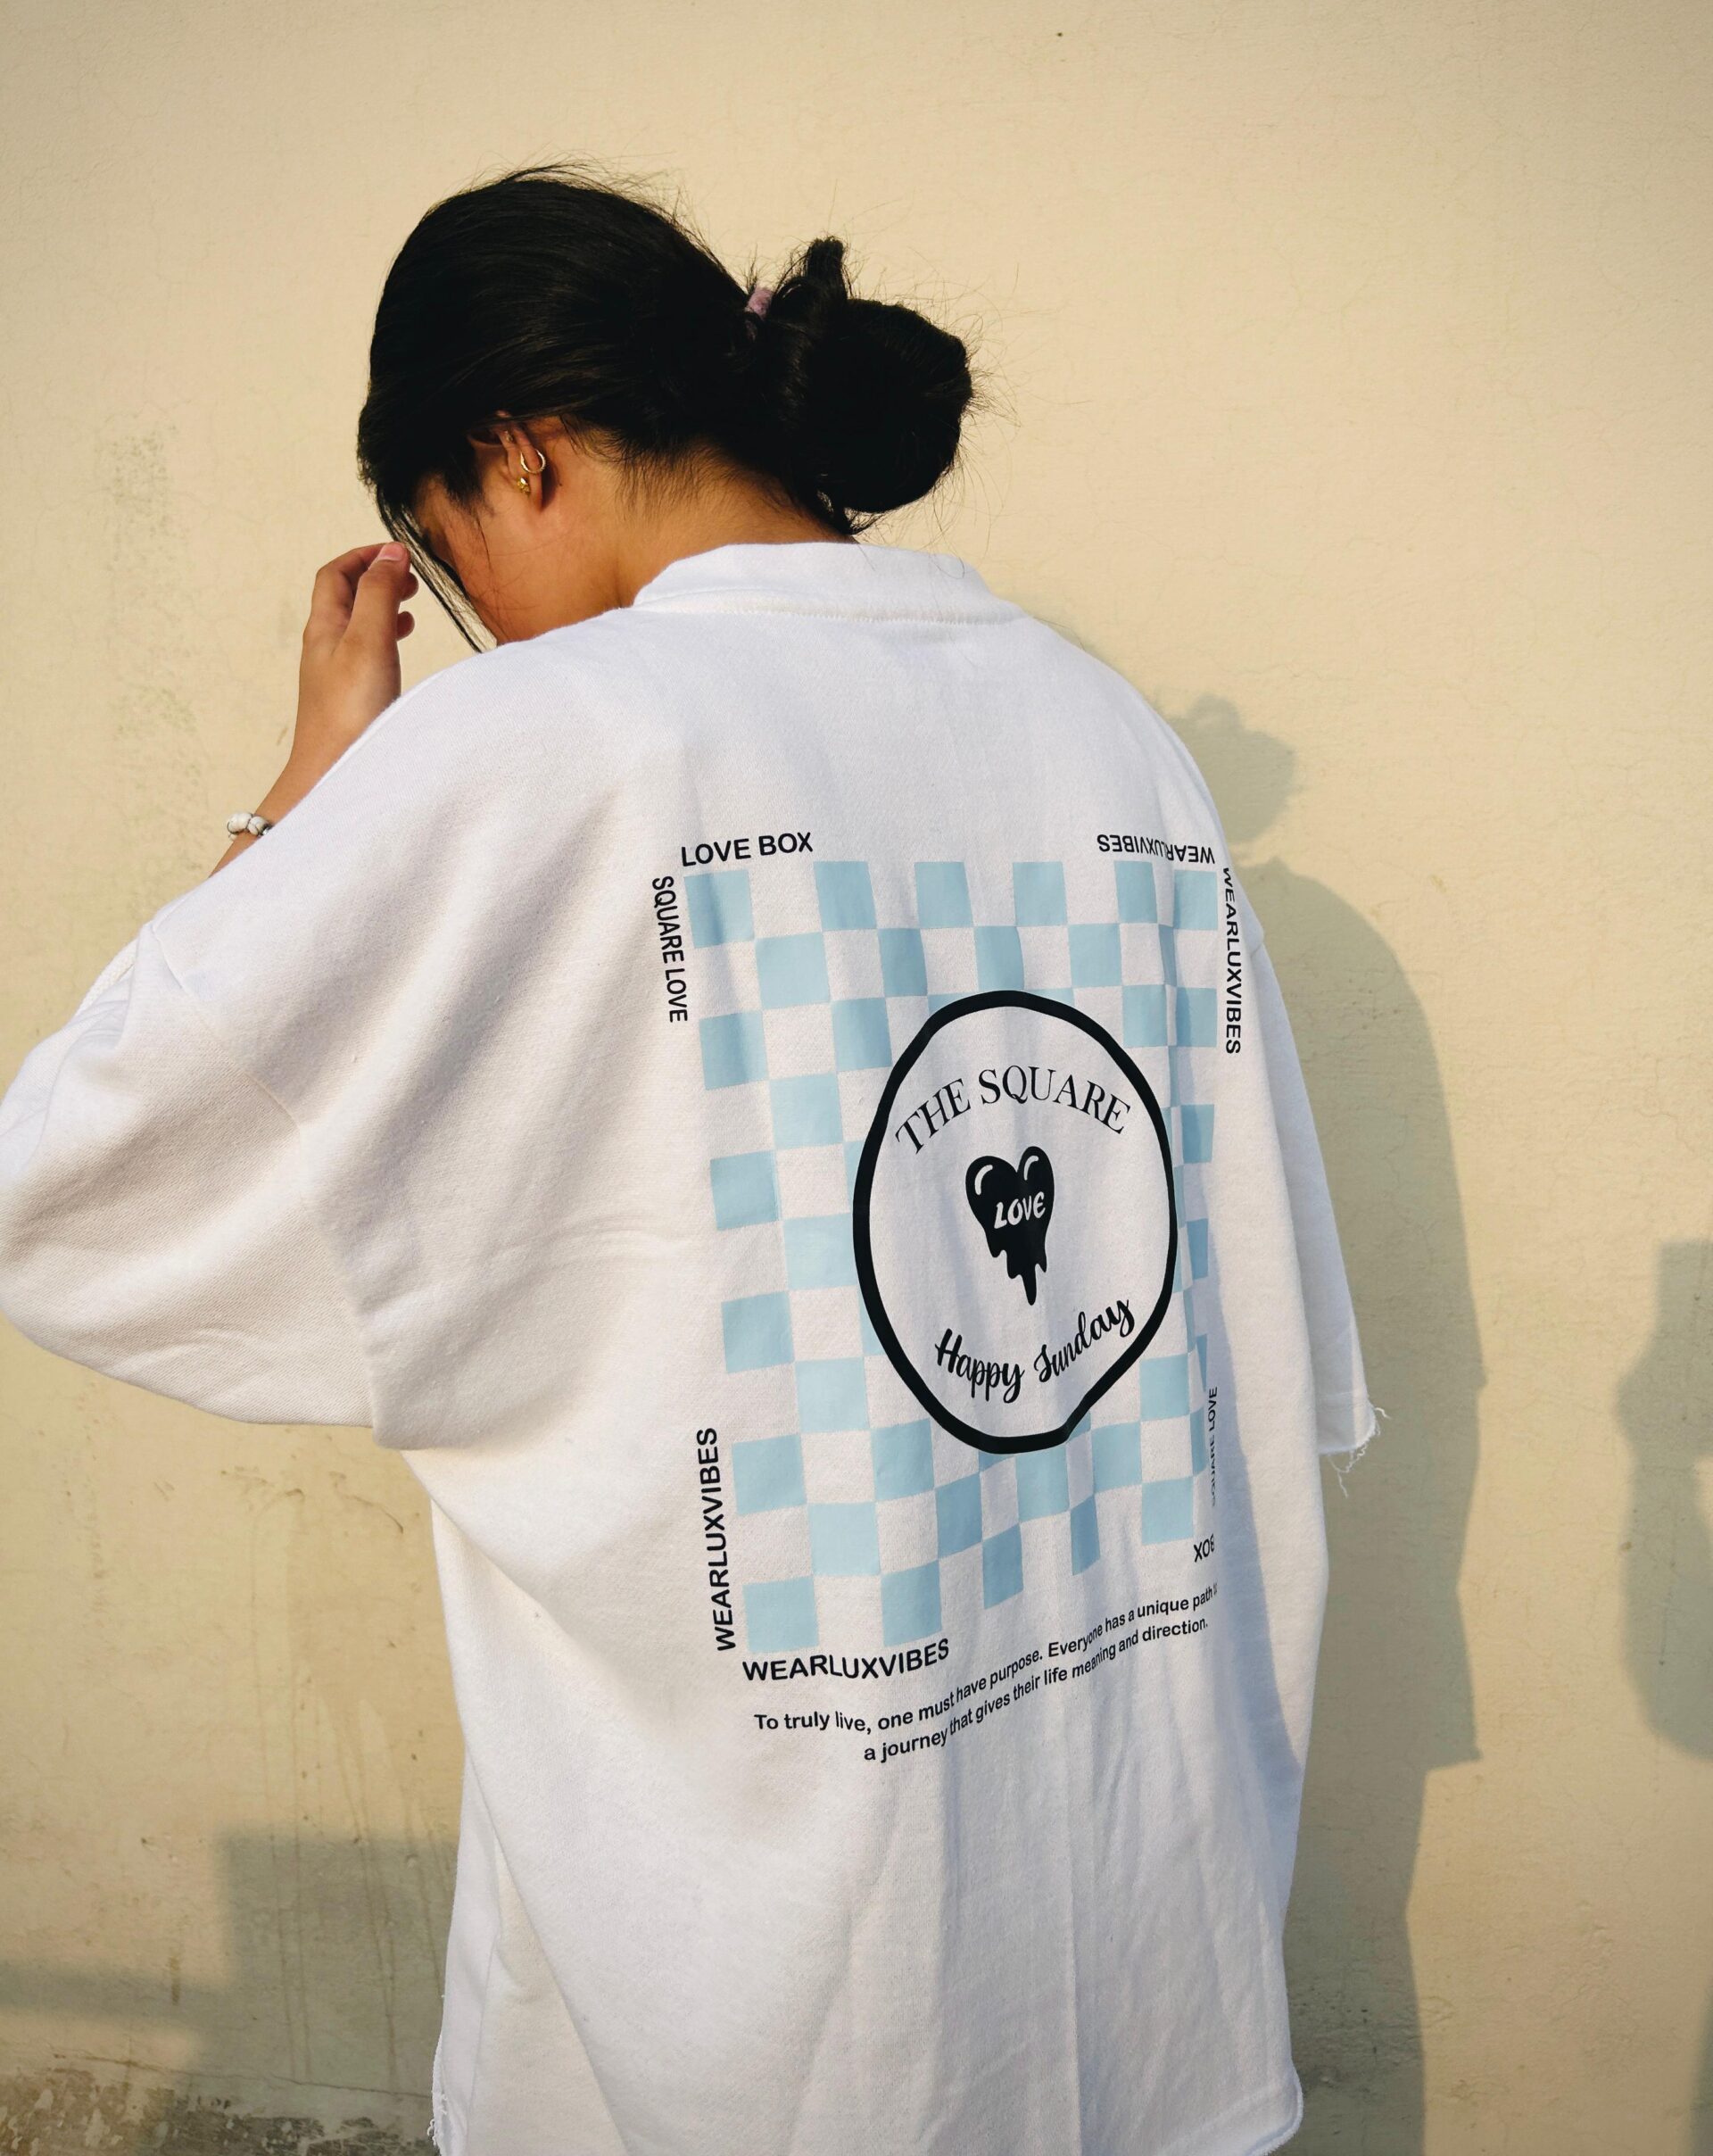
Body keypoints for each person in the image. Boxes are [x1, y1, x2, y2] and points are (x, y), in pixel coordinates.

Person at [0, 160, 1378, 2156]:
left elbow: (70, 1172)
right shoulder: (1111, 737)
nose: (470, 618)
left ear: (520, 450)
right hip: (1128, 1930)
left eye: (438, 559)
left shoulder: (554, 741)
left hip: (758, 1991)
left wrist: (310, 788)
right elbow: (1232, 1320)